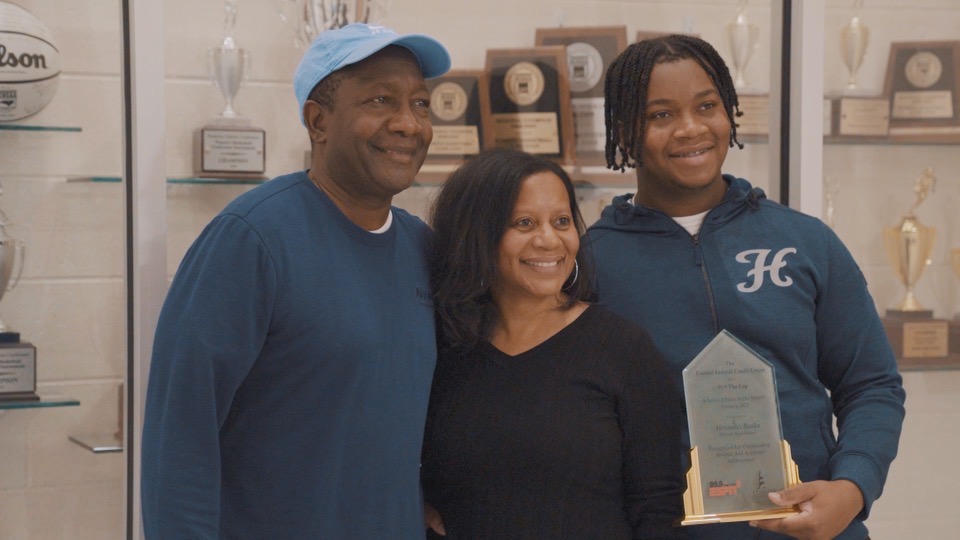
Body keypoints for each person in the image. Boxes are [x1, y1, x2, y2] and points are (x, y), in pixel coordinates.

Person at [586, 34, 906, 540]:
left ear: (729, 113)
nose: (692, 129)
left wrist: (852, 488)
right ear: (624, 132)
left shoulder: (805, 241)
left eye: (707, 106)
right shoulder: (591, 262)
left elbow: (872, 384)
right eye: (660, 115)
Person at [140, 23, 451, 538]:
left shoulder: (423, 248)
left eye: (420, 104)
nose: (407, 124)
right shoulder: (250, 240)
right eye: (380, 100)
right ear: (318, 120)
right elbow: (180, 439)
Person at [421, 147, 686, 539]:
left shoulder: (622, 349)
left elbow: (659, 509)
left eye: (562, 221)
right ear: (477, 234)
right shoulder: (441, 348)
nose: (550, 240)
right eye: (524, 223)